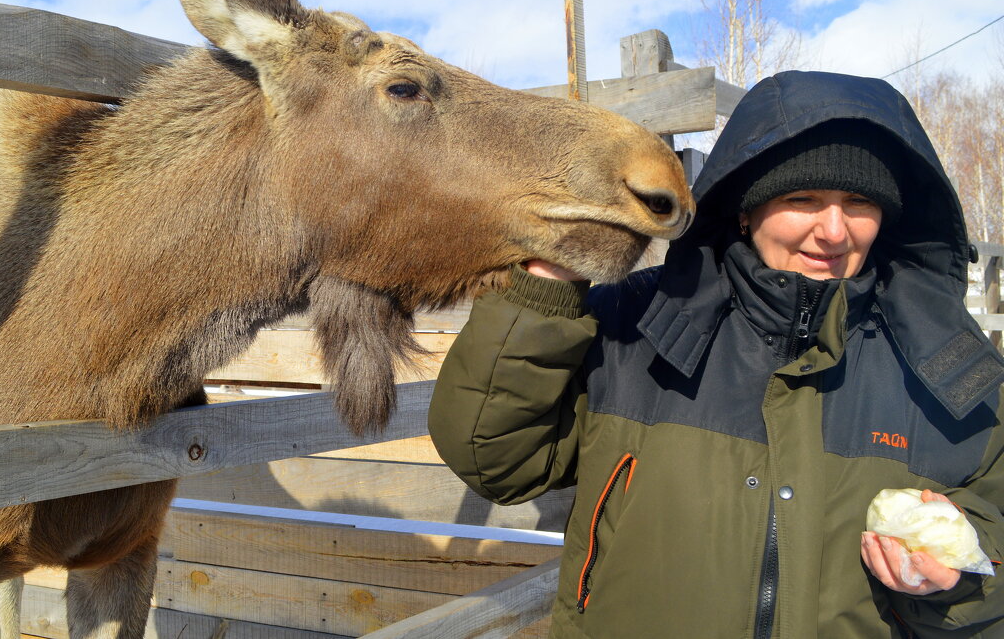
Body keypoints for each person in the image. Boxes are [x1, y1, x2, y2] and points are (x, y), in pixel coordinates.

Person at [428, 71, 1004, 638]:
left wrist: (959, 578)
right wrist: (545, 291)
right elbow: (495, 458)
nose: (834, 231)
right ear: (745, 208)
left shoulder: (943, 360)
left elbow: (994, 544)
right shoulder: (636, 324)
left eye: (858, 201)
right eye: (802, 197)